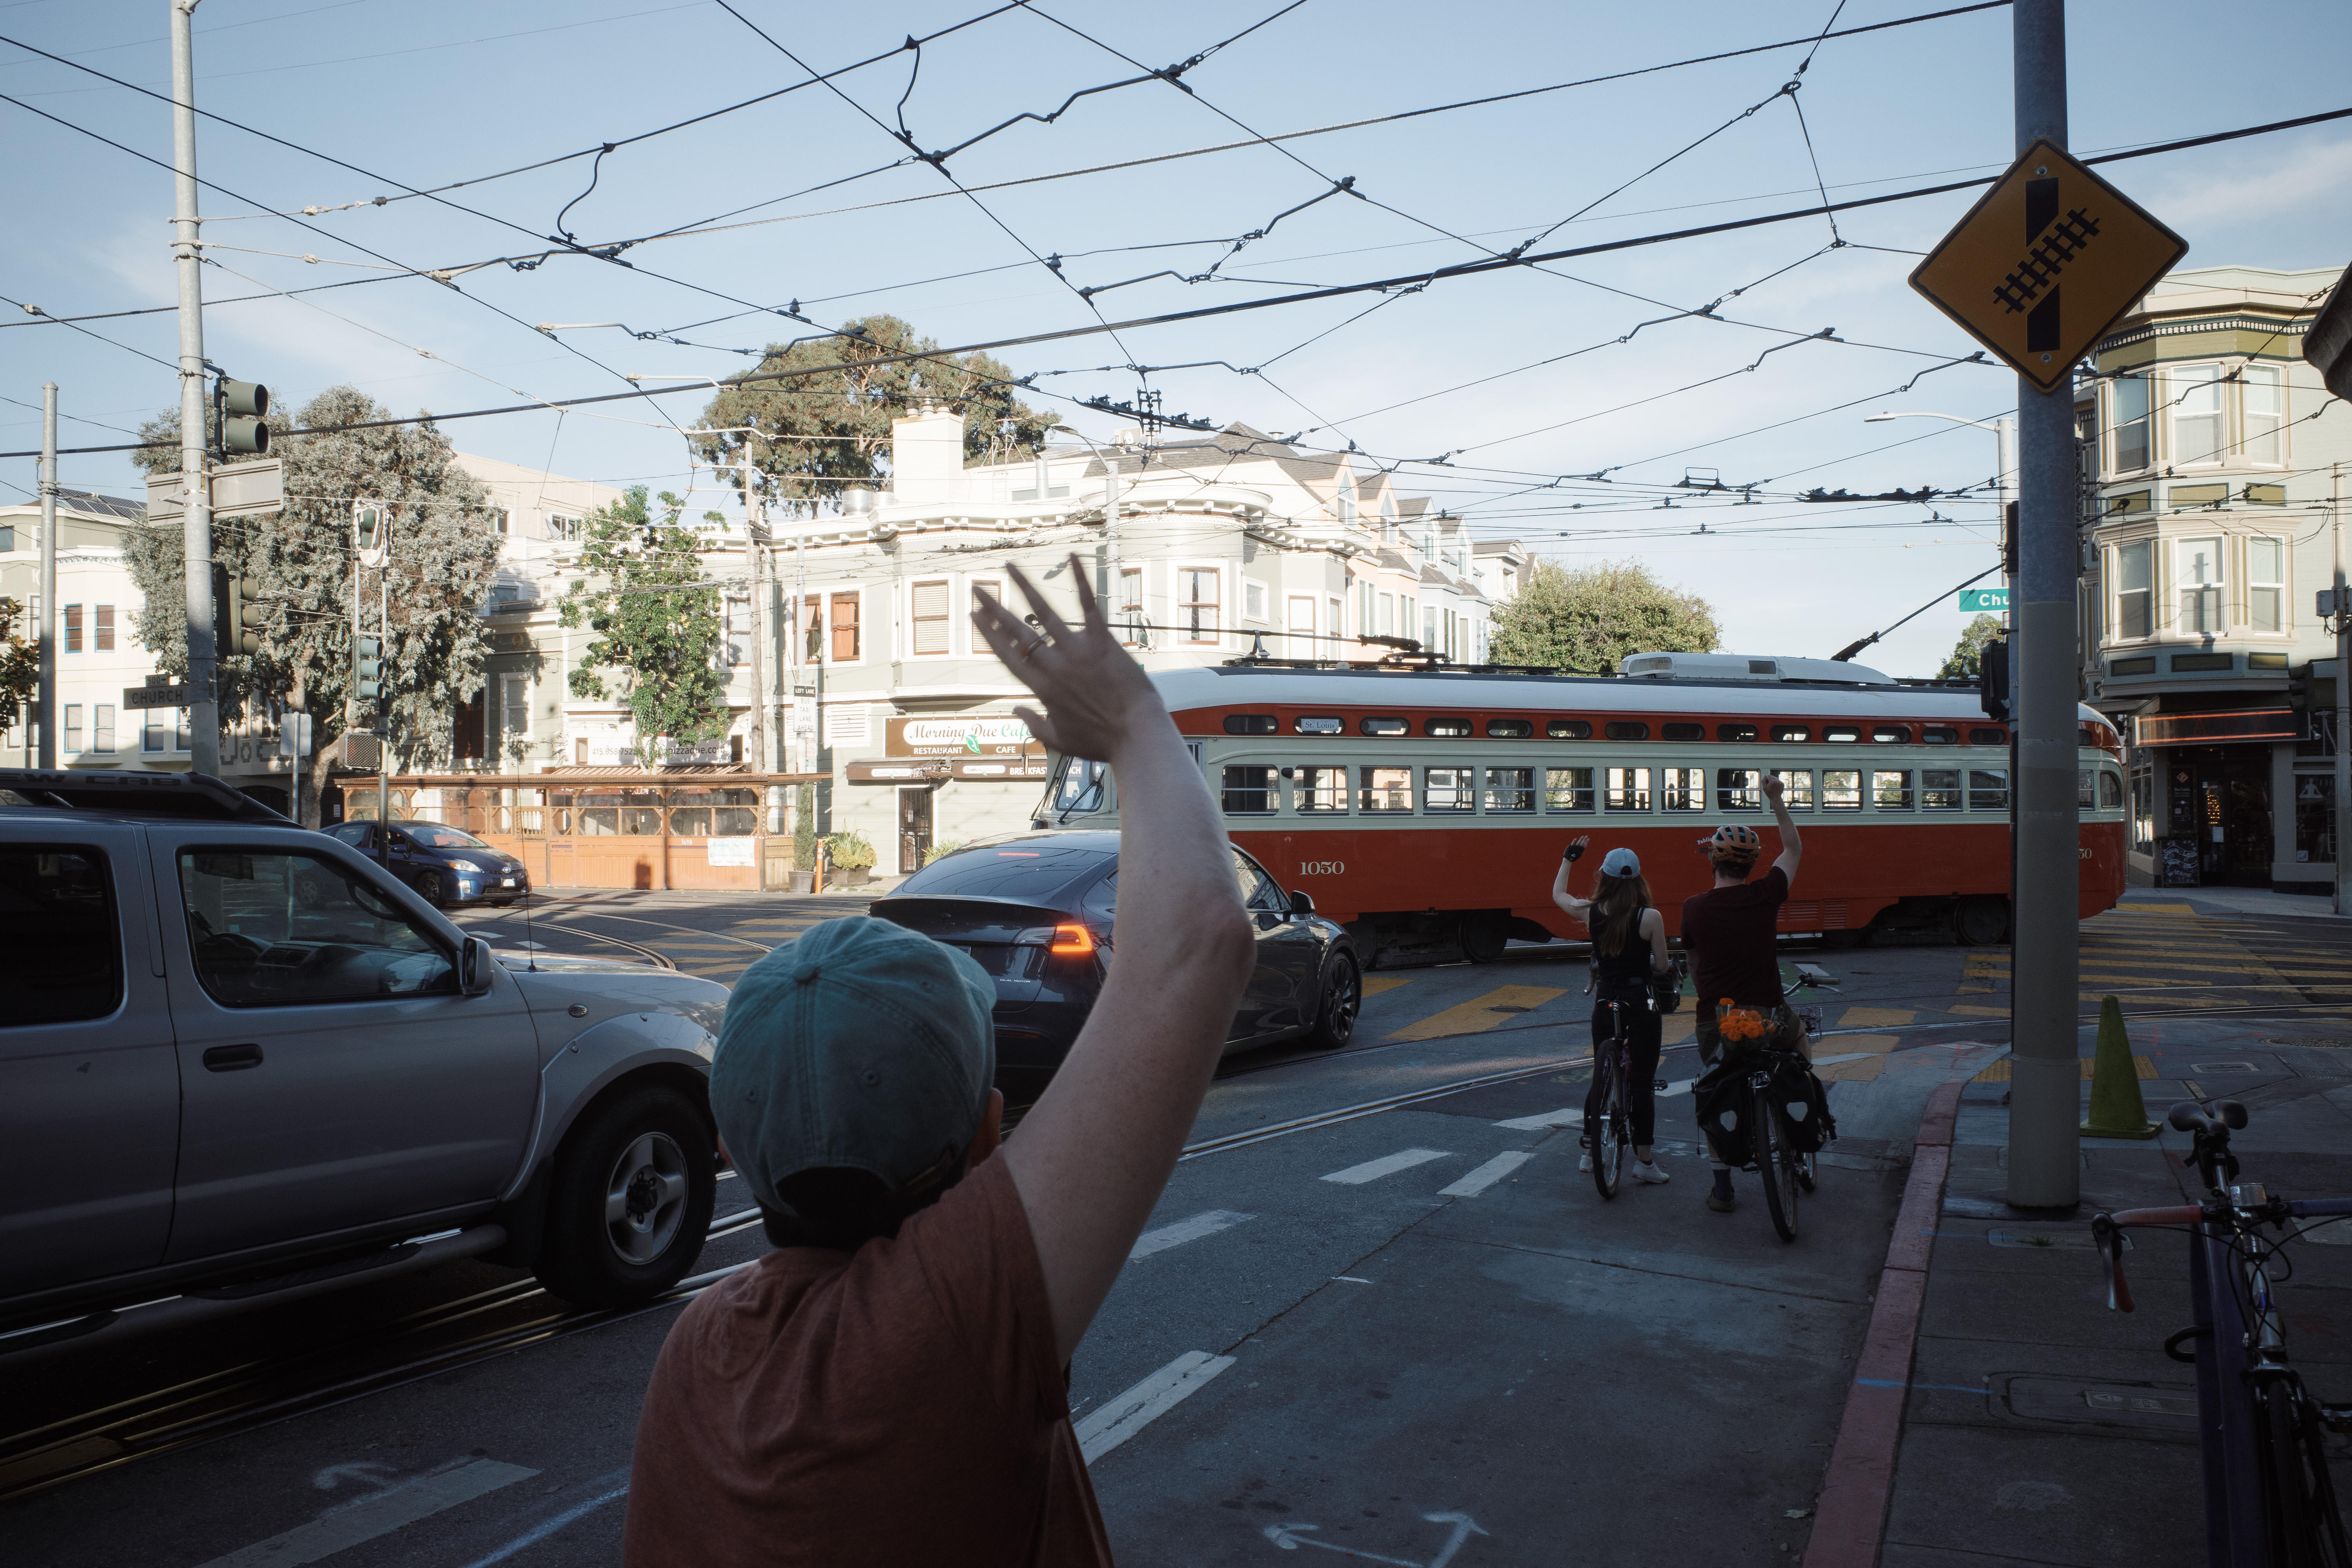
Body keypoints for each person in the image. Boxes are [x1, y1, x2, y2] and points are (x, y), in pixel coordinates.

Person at [621, 556, 1257, 1567]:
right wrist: (1134, 717)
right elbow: (1201, 946)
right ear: (988, 1130)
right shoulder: (944, 1327)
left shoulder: (702, 1349)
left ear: (736, 1145)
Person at [1680, 773, 1805, 1214]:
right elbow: (1793, 849)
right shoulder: (1766, 894)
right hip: (1769, 1016)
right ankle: (1803, 1111)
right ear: (1752, 864)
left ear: (1713, 860)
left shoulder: (1693, 908)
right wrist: (1776, 799)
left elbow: (1694, 966)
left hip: (1717, 1021)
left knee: (1717, 1091)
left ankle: (1723, 1190)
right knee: (1800, 1040)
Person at [1552, 837, 1673, 1183]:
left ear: (1603, 878)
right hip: (1639, 1002)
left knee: (1601, 1075)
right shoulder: (1651, 917)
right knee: (1642, 1084)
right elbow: (1662, 966)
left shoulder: (1592, 911)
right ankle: (1645, 1163)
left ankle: (1589, 1154)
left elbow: (1559, 897)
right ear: (1637, 881)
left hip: (1605, 1001)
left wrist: (1568, 859)